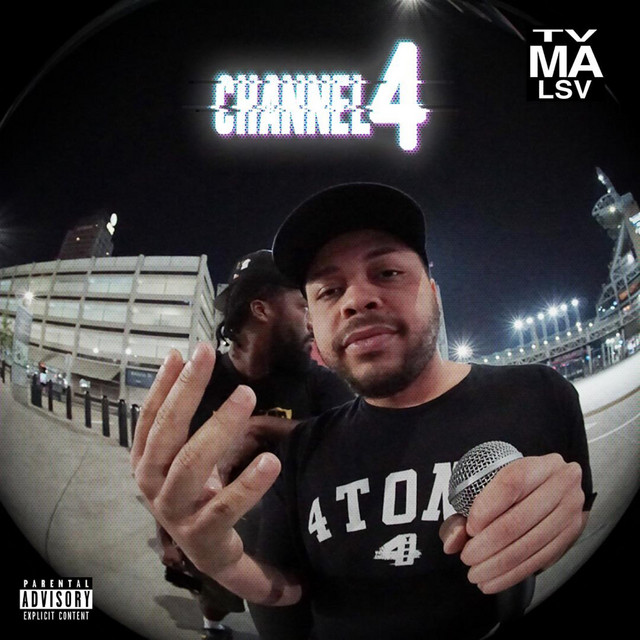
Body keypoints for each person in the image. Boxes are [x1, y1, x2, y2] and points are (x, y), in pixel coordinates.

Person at [131, 183, 595, 640]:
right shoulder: (301, 451)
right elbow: (289, 588)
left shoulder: (539, 395)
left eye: (387, 272)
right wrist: (225, 564)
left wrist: (565, 518)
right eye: (330, 290)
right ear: (313, 325)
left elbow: (576, 513)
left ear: (434, 292)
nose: (355, 300)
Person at [148, 249, 353, 640]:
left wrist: (260, 427)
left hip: (298, 535)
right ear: (262, 309)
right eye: (302, 306)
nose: (312, 323)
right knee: (215, 595)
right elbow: (171, 472)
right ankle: (213, 627)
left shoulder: (318, 381)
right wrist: (168, 537)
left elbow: (351, 435)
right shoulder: (202, 382)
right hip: (218, 526)